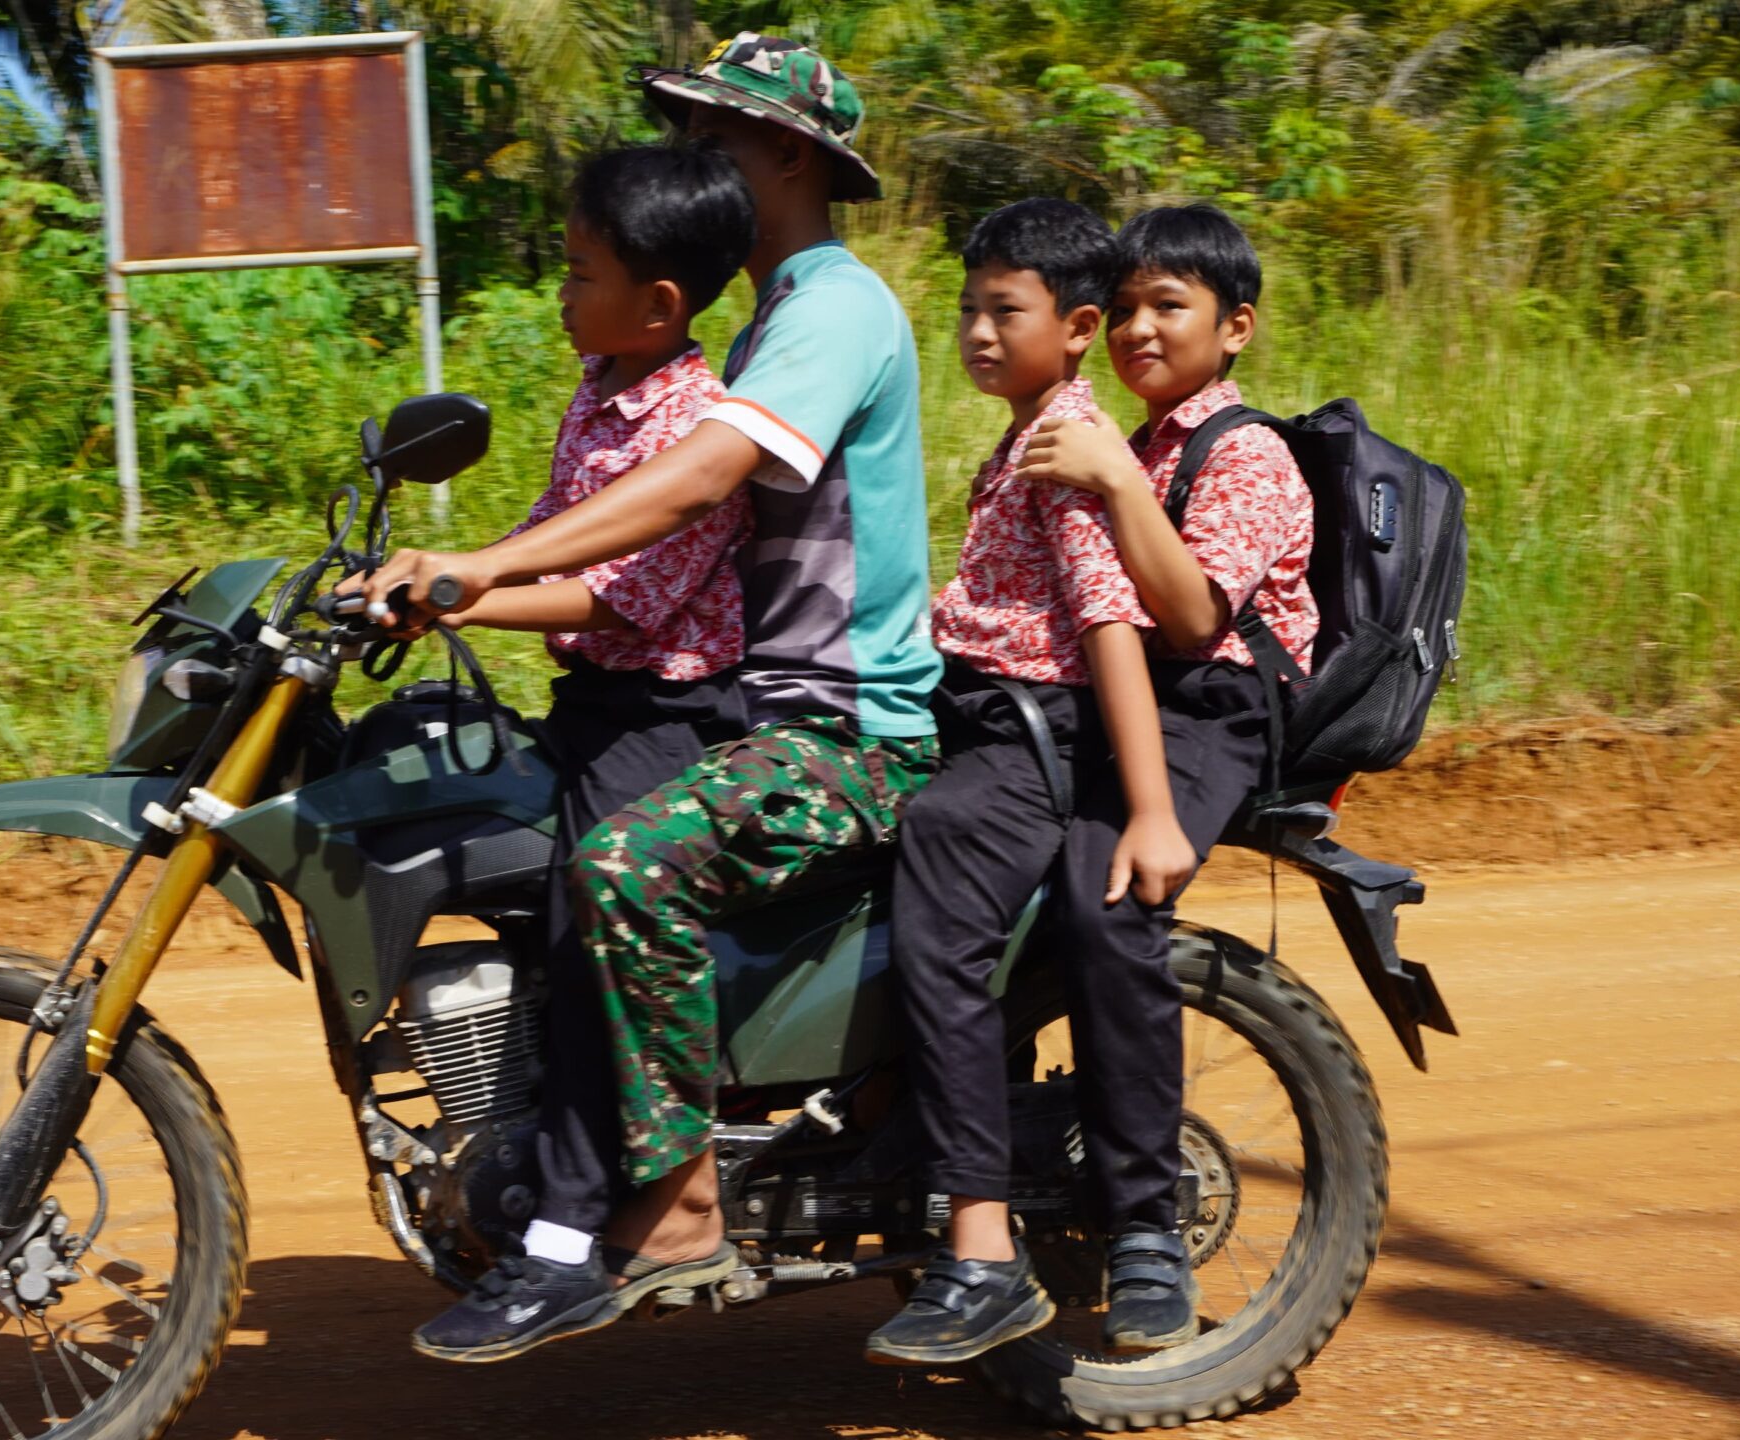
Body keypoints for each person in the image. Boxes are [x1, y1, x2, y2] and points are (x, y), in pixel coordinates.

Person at [366, 34, 945, 1363]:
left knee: (622, 870)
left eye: (712, 136)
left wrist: (480, 567)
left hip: (843, 732)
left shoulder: (833, 311)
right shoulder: (762, 318)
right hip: (773, 713)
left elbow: (689, 488)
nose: (690, 161)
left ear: (786, 155)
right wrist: (451, 583)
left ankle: (677, 1208)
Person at [908, 200, 1319, 1357]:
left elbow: (1184, 619)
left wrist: (1151, 812)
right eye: (1128, 308)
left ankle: (1142, 1227)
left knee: (1108, 899)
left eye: (1168, 308)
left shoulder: (1243, 453)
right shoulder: (1117, 440)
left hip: (1211, 712)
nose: (1141, 329)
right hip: (1119, 702)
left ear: (1234, 327)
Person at [412, 143, 757, 1354]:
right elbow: (552, 534)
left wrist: (455, 593)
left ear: (659, 301)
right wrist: (419, 577)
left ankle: (561, 1240)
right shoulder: (605, 380)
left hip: (667, 718)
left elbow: (617, 598)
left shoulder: (699, 425)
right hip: (594, 710)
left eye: (577, 271)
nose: (560, 293)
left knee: (581, 923)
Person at [861, 196, 1201, 1365]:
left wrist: (1150, 808)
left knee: (940, 921)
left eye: (1005, 311)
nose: (976, 332)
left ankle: (982, 1251)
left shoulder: (1061, 443)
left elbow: (1109, 627)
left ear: (1076, 325)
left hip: (1024, 745)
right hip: (983, 720)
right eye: (965, 310)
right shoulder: (1024, 435)